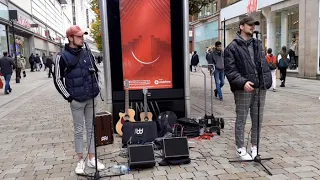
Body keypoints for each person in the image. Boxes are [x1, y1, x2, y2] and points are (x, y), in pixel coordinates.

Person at [53, 25, 104, 174]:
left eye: (83, 36)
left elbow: (97, 70)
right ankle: (80, 160)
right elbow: (57, 79)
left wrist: (98, 88)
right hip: (76, 99)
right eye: (79, 36)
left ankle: (92, 158)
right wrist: (69, 97)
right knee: (79, 130)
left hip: (92, 97)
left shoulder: (88, 52)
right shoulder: (61, 56)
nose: (83, 39)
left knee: (91, 128)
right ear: (70, 38)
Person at [224, 16, 272, 160]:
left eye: (254, 25)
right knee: (242, 119)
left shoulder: (258, 44)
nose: (252, 27)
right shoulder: (231, 48)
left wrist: (266, 82)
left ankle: (255, 147)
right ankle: (240, 147)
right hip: (243, 89)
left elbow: (263, 64)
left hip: (260, 87)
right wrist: (243, 82)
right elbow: (230, 71)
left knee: (258, 119)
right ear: (241, 26)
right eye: (249, 24)